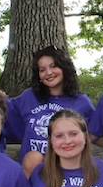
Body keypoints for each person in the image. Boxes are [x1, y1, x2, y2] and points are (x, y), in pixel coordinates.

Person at [7, 45, 95, 177]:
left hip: (65, 173)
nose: (48, 73)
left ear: (64, 68)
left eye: (53, 66)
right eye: (42, 69)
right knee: (33, 158)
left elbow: (95, 132)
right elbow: (3, 114)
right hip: (32, 171)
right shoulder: (28, 97)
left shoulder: (81, 102)